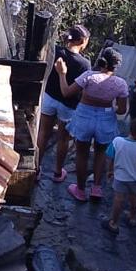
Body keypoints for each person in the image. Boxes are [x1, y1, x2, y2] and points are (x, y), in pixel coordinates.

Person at [55, 46, 129, 204]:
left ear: (101, 60)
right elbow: (122, 110)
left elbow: (67, 92)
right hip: (106, 118)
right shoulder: (121, 84)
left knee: (82, 154)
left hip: (84, 116)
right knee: (101, 153)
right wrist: (109, 108)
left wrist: (62, 74)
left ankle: (80, 190)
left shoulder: (89, 77)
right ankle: (96, 188)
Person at [39, 24, 90, 183]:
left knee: (43, 132)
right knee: (63, 138)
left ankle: (36, 167)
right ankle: (57, 171)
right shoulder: (84, 64)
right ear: (82, 41)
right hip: (68, 105)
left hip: (48, 97)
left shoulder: (55, 51)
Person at [102, 117, 136, 235]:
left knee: (118, 199)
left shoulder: (117, 141)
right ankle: (133, 218)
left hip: (120, 177)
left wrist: (110, 171)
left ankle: (113, 222)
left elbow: (110, 158)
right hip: (135, 179)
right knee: (134, 197)